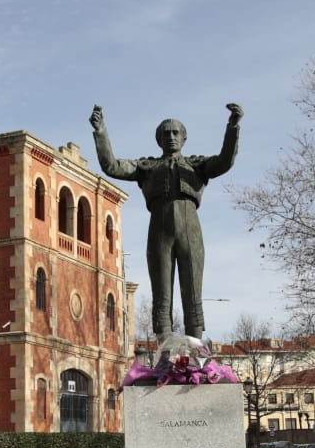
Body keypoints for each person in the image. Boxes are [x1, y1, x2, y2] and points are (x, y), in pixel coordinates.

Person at [91, 103, 240, 340]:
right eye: (165, 134)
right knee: (161, 294)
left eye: (175, 133)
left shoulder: (197, 166)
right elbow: (112, 165)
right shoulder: (146, 167)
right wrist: (100, 131)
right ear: (158, 140)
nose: (170, 137)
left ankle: (196, 351)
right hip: (159, 232)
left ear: (184, 138)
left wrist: (232, 127)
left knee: (193, 292)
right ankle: (165, 351)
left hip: (191, 232)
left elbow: (224, 161)